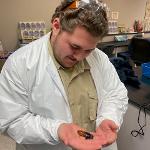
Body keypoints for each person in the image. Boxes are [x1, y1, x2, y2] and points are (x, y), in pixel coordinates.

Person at [0, 0, 128, 150]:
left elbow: (115, 93)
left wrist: (108, 118)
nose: (80, 57)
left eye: (88, 50)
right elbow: (11, 120)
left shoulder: (99, 58)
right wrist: (57, 130)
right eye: (75, 47)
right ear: (56, 26)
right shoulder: (21, 63)